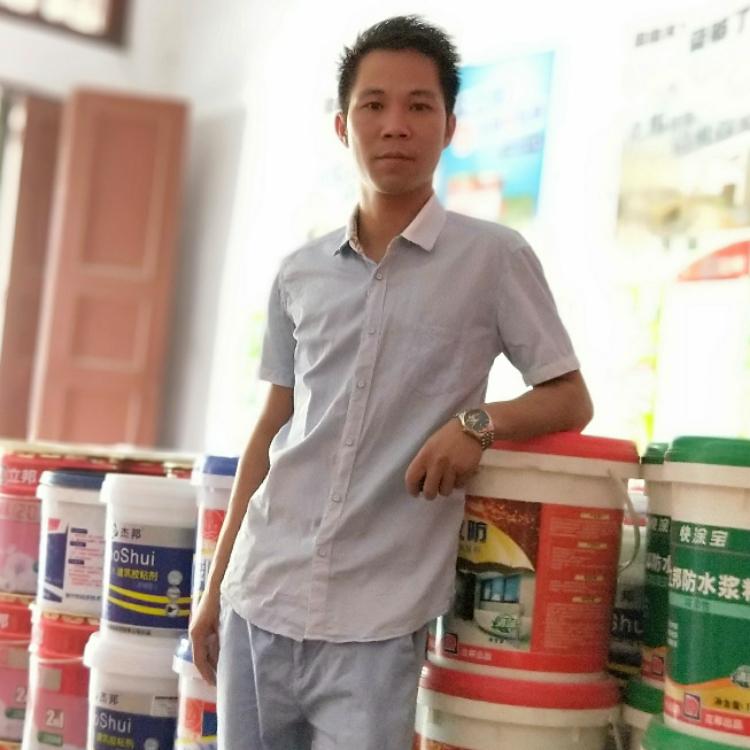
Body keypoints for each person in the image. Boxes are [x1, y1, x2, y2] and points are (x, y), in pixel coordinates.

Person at [190, 14, 593, 750]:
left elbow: (569, 397)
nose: (395, 125)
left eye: (419, 105)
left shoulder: (494, 259)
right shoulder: (299, 272)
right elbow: (273, 430)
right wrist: (215, 587)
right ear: (342, 126)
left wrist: (477, 424)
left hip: (378, 621)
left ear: (449, 127)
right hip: (260, 596)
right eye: (373, 105)